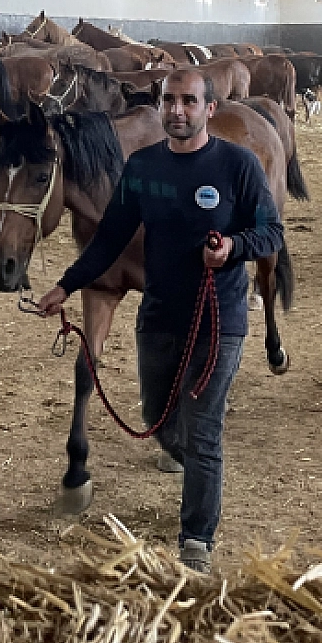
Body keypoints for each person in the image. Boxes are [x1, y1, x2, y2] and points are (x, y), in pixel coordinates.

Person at [33, 67, 284, 574]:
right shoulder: (144, 166)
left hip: (219, 316)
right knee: (159, 419)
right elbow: (108, 238)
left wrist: (233, 247)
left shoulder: (237, 164)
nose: (177, 110)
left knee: (204, 428)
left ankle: (196, 540)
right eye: (170, 100)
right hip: (159, 314)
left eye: (189, 102)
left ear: (209, 109)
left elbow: (271, 234)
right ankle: (175, 449)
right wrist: (68, 284)